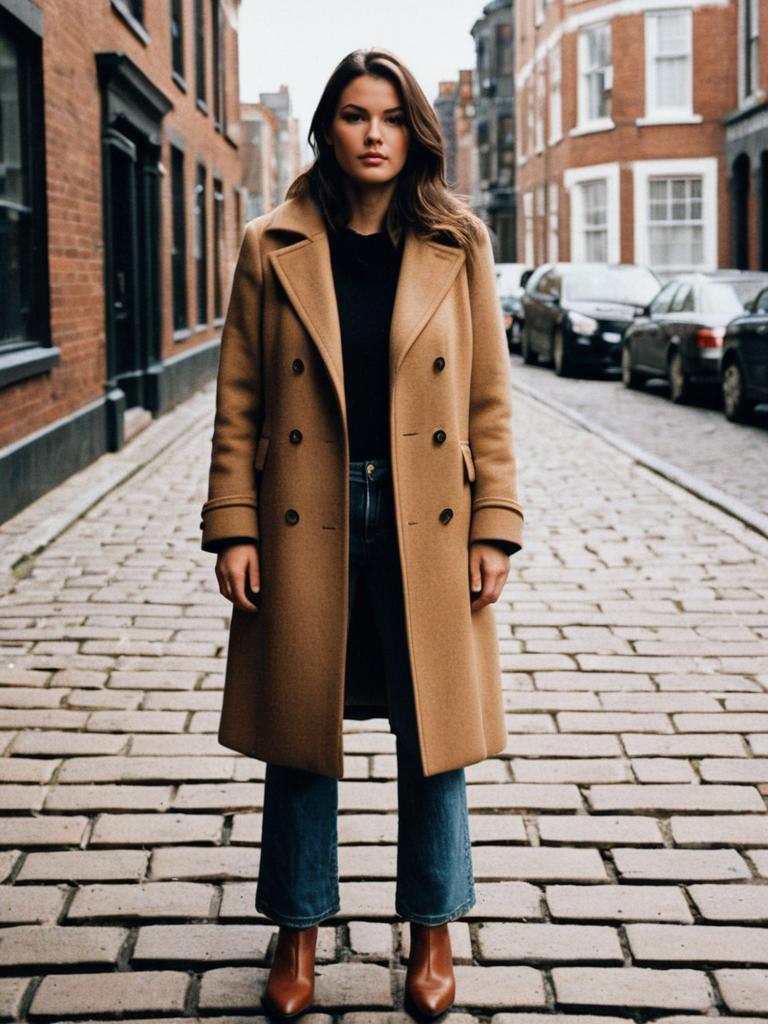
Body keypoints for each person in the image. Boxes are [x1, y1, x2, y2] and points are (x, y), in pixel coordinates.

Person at [201, 47, 524, 1020]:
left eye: (390, 115)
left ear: (411, 128)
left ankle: (432, 928)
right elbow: (241, 400)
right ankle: (297, 928)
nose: (373, 132)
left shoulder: (457, 242)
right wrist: (234, 527)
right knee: (300, 730)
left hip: (430, 511)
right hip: (311, 507)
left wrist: (495, 527)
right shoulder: (272, 244)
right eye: (353, 114)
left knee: (436, 733)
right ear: (327, 130)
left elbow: (487, 401)